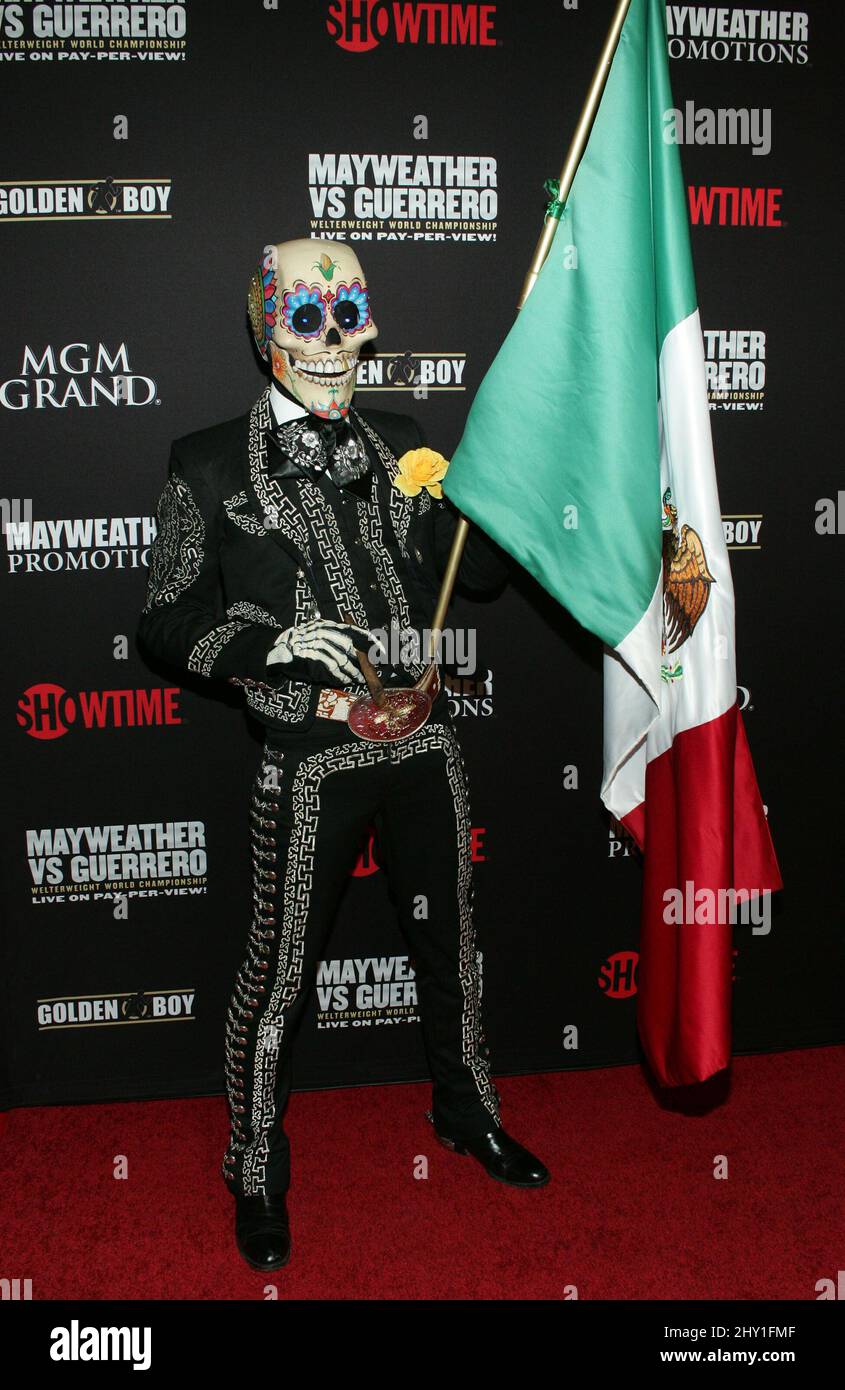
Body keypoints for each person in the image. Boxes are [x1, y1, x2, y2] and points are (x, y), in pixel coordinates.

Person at [137, 238, 549, 1273]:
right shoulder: (206, 462)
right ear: (264, 330)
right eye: (305, 319)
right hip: (306, 757)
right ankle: (255, 1167)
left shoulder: (403, 440)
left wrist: (484, 502)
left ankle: (465, 1112)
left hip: (425, 741)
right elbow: (164, 616)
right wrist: (266, 642)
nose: (333, 343)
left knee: (449, 944)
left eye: (350, 314)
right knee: (279, 976)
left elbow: (482, 582)